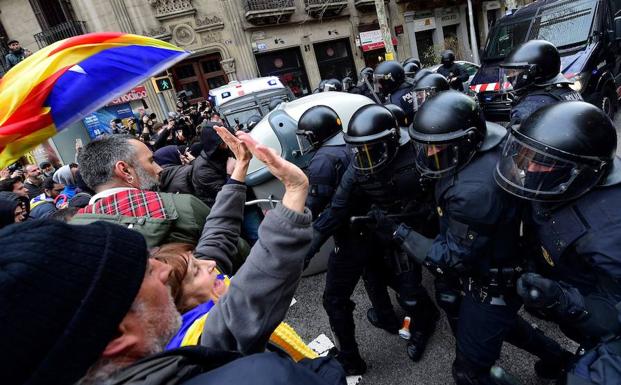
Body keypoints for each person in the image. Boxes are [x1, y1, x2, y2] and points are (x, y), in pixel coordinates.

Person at [0, 131, 348, 385]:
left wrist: (239, 173)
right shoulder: (255, 373)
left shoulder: (173, 347)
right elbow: (244, 295)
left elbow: (213, 246)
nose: (164, 272)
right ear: (118, 333)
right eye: (144, 271)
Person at [378, 91, 571, 384]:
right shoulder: (493, 142)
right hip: (510, 261)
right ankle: (558, 358)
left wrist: (398, 232)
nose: (428, 154)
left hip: (492, 281)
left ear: (465, 140)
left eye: (436, 147)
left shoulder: (473, 192)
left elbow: (449, 258)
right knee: (503, 325)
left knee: (469, 371)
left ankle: (558, 360)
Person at [494, 101, 621, 384]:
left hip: (592, 314)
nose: (528, 166)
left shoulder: (610, 231)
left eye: (541, 162)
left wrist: (562, 301)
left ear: (582, 171)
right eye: (527, 154)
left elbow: (616, 312)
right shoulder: (552, 181)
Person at [307, 104, 440, 370]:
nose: (363, 158)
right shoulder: (358, 167)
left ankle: (423, 325)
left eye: (370, 149)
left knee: (414, 289)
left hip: (413, 229)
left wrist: (419, 226)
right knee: (392, 283)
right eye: (359, 150)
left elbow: (438, 195)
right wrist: (303, 252)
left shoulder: (416, 155)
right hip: (379, 231)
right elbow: (336, 209)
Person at [71, 135, 246, 274]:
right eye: (150, 161)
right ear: (125, 170)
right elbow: (236, 250)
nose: (159, 169)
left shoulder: (71, 236)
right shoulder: (180, 206)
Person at [500, 40, 582, 126]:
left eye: (514, 71)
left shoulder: (529, 107)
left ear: (534, 72)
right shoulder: (568, 92)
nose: (509, 76)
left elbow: (512, 137)